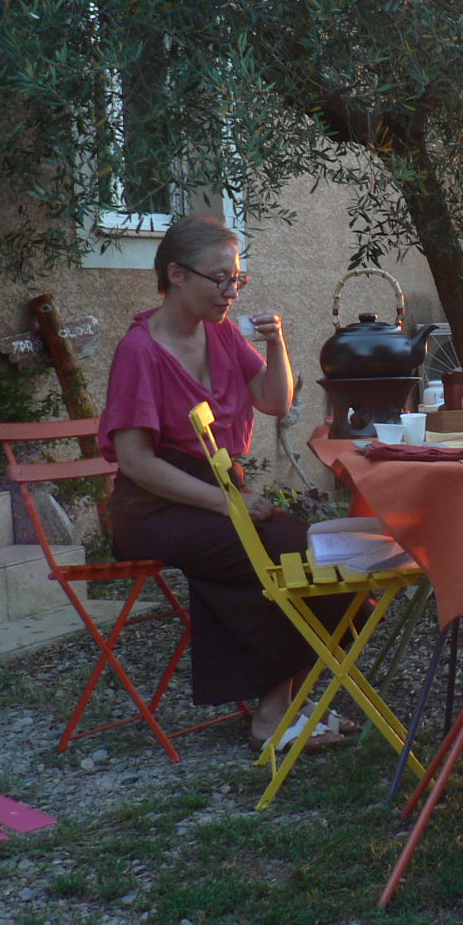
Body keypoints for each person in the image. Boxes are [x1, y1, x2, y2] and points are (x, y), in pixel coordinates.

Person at [100, 214, 350, 750]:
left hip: (219, 496)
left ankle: (289, 700)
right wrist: (222, 502)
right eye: (220, 279)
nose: (230, 292)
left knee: (320, 552)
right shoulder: (140, 350)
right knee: (280, 554)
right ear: (177, 275)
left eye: (237, 279)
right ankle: (273, 715)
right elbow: (136, 462)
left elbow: (275, 401)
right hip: (154, 507)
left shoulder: (221, 334)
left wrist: (277, 342)